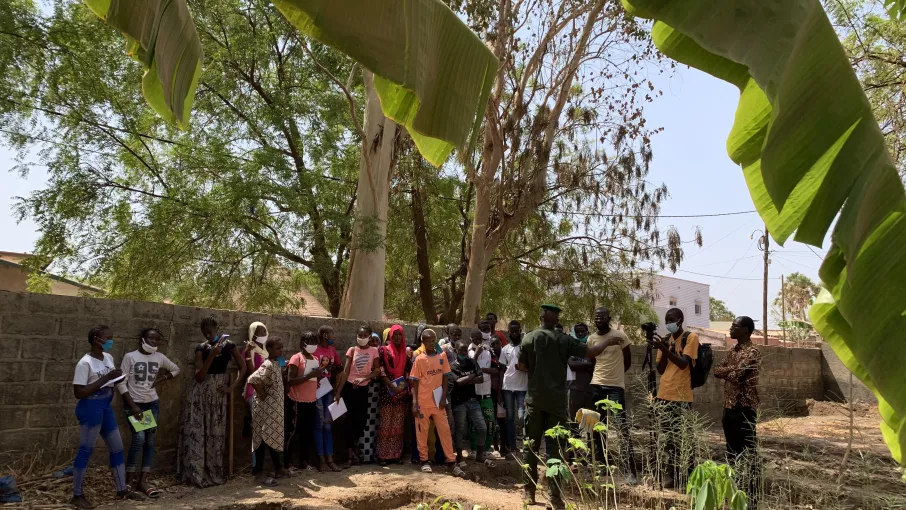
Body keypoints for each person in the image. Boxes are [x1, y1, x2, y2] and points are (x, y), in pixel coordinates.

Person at [517, 304, 615, 509]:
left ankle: (529, 493)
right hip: (557, 403)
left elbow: (523, 366)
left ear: (542, 317)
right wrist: (608, 341)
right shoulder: (564, 340)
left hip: (534, 401)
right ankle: (555, 497)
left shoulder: (529, 338)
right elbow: (590, 352)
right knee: (556, 450)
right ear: (556, 320)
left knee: (530, 447)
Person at [70, 325, 145, 509]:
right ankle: (77, 495)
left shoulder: (108, 358)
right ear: (96, 339)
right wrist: (105, 379)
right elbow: (79, 392)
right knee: (86, 450)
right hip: (90, 407)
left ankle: (122, 489)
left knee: (117, 447)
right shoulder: (85, 363)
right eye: (108, 338)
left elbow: (111, 381)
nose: (111, 341)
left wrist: (117, 379)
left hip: (105, 406)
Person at [177, 315, 247, 488]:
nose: (207, 335)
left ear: (217, 329)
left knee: (215, 433)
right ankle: (196, 473)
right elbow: (199, 376)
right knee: (197, 432)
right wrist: (212, 355)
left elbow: (243, 367)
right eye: (204, 333)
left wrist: (233, 387)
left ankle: (214, 472)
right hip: (200, 394)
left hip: (218, 393)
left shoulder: (229, 346)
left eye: (210, 331)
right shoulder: (201, 348)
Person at [120, 328, 180, 497]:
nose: (154, 342)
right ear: (142, 339)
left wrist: (161, 379)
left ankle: (143, 481)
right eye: (151, 338)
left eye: (157, 340)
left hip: (151, 404)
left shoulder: (159, 357)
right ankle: (128, 481)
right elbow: (121, 383)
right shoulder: (130, 357)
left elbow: (175, 369)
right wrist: (133, 406)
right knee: (139, 439)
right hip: (135, 404)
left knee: (150, 440)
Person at [713, 316, 761, 508]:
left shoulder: (753, 351)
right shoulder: (732, 350)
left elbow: (740, 376)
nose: (731, 328)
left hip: (745, 409)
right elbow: (717, 370)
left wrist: (728, 371)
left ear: (746, 330)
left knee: (748, 453)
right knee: (732, 452)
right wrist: (730, 370)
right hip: (729, 407)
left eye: (735, 326)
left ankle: (752, 497)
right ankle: (735, 493)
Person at [586, 308, 638, 483]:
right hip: (596, 385)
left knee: (621, 427)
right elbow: (591, 358)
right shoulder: (592, 338)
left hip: (615, 387)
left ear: (609, 318)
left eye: (602, 317)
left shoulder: (621, 336)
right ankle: (601, 466)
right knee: (597, 427)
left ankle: (631, 471)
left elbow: (628, 359)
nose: (598, 319)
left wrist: (617, 376)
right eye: (596, 317)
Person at [651, 307, 700, 488]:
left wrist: (665, 348)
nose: (668, 323)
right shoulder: (666, 340)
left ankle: (687, 476)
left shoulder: (691, 338)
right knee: (669, 439)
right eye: (666, 320)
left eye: (671, 319)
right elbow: (661, 369)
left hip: (681, 396)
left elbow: (683, 363)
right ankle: (673, 475)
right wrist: (664, 348)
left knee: (684, 438)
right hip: (664, 394)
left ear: (680, 319)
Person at [409, 328, 456, 472]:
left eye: (432, 340)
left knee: (445, 430)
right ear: (423, 342)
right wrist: (415, 403)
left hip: (438, 402)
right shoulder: (419, 359)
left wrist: (443, 398)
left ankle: (451, 460)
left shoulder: (442, 356)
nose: (430, 343)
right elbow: (415, 382)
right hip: (423, 402)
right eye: (427, 340)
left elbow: (446, 378)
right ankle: (424, 460)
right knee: (422, 432)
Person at [337, 326, 380, 468]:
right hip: (349, 388)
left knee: (361, 421)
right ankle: (350, 456)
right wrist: (338, 392)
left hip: (363, 389)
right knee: (348, 422)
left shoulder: (374, 351)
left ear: (369, 336)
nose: (362, 337)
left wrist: (363, 379)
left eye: (365, 335)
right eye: (359, 335)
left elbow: (377, 371)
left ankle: (355, 448)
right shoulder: (352, 350)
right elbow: (346, 371)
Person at [247, 338, 288, 486]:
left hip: (274, 409)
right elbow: (252, 379)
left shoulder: (277, 363)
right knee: (262, 439)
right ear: (269, 350)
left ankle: (279, 468)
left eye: (281, 348)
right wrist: (262, 393)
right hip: (266, 410)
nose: (281, 351)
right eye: (278, 348)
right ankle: (258, 473)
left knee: (272, 437)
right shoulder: (268, 364)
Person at [284, 331, 325, 472]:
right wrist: (310, 376)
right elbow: (290, 380)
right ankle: (287, 463)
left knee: (307, 432)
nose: (314, 345)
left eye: (315, 342)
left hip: (311, 400)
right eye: (311, 342)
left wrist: (317, 378)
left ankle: (304, 461)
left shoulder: (314, 358)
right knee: (293, 432)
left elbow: (313, 378)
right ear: (303, 344)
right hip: (297, 400)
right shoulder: (296, 358)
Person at [449, 339, 488, 476]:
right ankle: (459, 456)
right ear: (456, 351)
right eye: (461, 350)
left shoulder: (472, 362)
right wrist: (472, 376)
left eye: (465, 350)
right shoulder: (452, 366)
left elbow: (481, 378)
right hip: (459, 402)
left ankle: (480, 454)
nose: (464, 352)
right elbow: (458, 383)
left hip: (473, 401)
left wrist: (467, 379)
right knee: (459, 429)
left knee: (482, 427)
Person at [377, 325, 412, 465]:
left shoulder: (406, 353)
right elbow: (381, 370)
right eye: (395, 334)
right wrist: (392, 386)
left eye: (400, 335)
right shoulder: (384, 351)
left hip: (401, 393)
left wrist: (402, 389)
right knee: (386, 424)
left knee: (398, 425)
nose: (397, 337)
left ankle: (396, 454)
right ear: (390, 336)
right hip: (387, 392)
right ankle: (383, 455)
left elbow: (408, 373)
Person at [313, 325, 342, 471]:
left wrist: (337, 389)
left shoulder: (332, 351)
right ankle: (321, 460)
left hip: (328, 389)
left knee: (328, 425)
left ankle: (330, 459)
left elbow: (339, 367)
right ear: (324, 335)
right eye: (331, 333)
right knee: (319, 425)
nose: (333, 336)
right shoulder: (315, 351)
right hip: (317, 390)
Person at [468, 329, 498, 459]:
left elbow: (496, 369)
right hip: (474, 395)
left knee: (490, 422)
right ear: (471, 339)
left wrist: (483, 370)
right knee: (474, 424)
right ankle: (474, 449)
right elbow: (470, 365)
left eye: (479, 339)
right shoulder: (469, 350)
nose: (477, 342)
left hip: (486, 393)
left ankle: (486, 449)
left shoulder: (487, 350)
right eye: (475, 339)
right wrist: (476, 354)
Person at [242, 321, 269, 467]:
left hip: (268, 392)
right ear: (253, 334)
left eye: (264, 332)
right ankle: (256, 466)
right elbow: (252, 373)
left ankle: (263, 464)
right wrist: (247, 353)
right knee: (258, 429)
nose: (263, 335)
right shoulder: (249, 351)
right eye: (259, 333)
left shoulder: (266, 351)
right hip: (255, 392)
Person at [499, 320, 527, 455]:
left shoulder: (525, 347)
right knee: (510, 417)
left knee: (522, 417)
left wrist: (524, 369)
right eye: (512, 331)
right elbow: (502, 370)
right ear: (509, 332)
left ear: (520, 331)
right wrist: (499, 390)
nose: (514, 333)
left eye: (517, 330)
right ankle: (512, 446)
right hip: (508, 386)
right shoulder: (505, 349)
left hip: (522, 387)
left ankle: (527, 445)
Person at [567, 322, 594, 426]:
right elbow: (571, 364)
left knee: (590, 423)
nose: (580, 334)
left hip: (590, 389)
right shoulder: (571, 348)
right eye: (578, 332)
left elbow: (594, 364)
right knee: (574, 421)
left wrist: (580, 363)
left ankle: (590, 442)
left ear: (587, 332)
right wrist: (587, 363)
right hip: (574, 389)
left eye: (582, 331)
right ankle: (575, 442)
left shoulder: (591, 347)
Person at [488, 336, 507, 456]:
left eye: (497, 344)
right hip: (492, 392)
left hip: (504, 392)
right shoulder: (489, 358)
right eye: (492, 344)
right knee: (492, 421)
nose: (495, 347)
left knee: (503, 421)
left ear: (501, 344)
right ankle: (495, 446)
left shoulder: (505, 357)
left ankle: (504, 446)